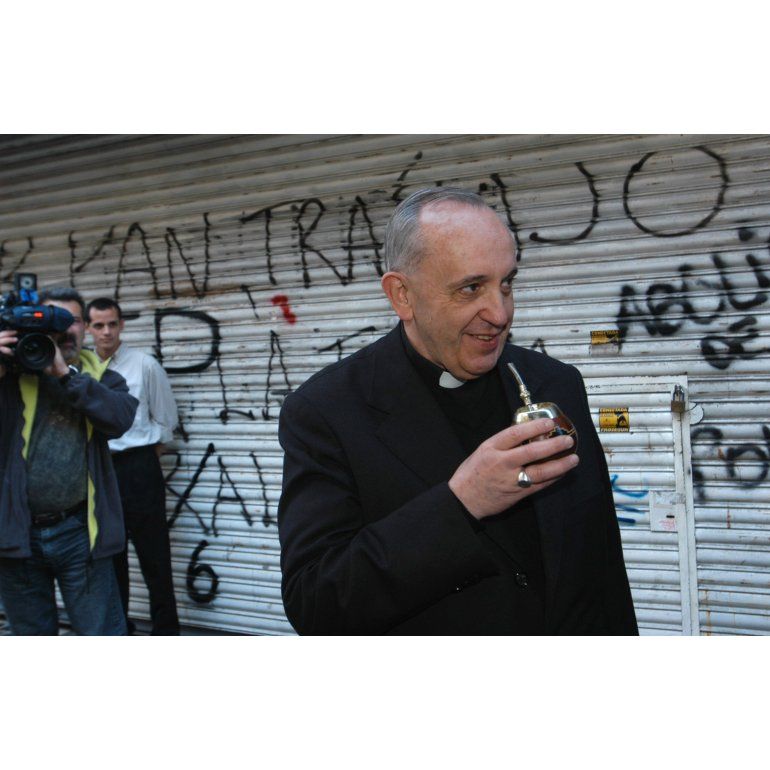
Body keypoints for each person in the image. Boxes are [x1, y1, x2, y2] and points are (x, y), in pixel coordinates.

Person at [278, 187, 638, 635]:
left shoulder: (556, 382)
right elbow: (316, 602)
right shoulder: (326, 411)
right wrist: (461, 503)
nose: (500, 313)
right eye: (471, 288)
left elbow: (602, 565)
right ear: (402, 295)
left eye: (506, 283)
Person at [0, 286, 137, 635]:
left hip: (79, 532)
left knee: (102, 634)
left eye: (71, 320)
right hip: (16, 532)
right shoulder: (9, 377)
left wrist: (65, 375)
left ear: (85, 327)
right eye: (51, 320)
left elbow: (119, 419)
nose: (63, 329)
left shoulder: (102, 377)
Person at [86, 297, 180, 635]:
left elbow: (166, 421)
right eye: (99, 325)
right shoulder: (80, 368)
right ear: (88, 328)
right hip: (99, 470)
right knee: (111, 558)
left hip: (139, 467)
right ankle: (119, 631)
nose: (106, 332)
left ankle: (166, 632)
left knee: (155, 556)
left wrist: (143, 460)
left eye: (112, 324)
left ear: (122, 324)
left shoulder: (144, 365)